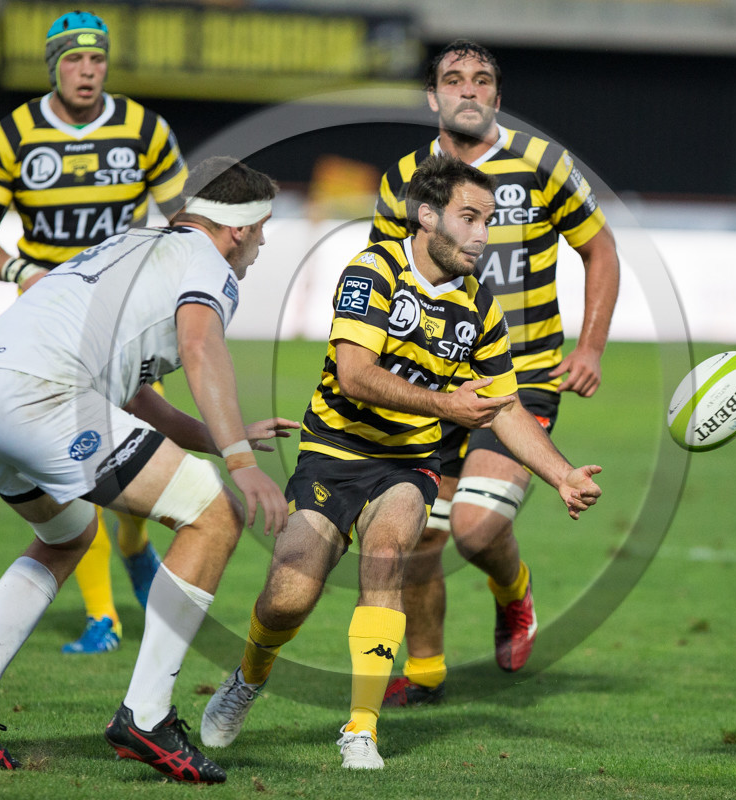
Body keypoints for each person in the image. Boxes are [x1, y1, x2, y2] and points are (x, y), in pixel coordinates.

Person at [198, 155, 604, 769]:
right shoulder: (374, 271)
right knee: (287, 598)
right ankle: (248, 678)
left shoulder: (480, 305)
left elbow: (505, 407)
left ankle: (361, 729)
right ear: (427, 215)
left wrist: (562, 474)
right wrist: (447, 402)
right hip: (335, 451)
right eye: (468, 218)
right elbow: (356, 376)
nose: (481, 235)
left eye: (488, 221)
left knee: (388, 556)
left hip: (410, 462)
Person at [0, 157, 296, 783]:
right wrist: (239, 462)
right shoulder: (206, 264)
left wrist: (215, 437)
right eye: (262, 229)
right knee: (214, 516)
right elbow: (200, 346)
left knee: (68, 535)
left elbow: (128, 391)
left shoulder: (131, 245)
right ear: (237, 227)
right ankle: (147, 718)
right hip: (43, 396)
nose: (262, 244)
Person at [368, 39, 621, 705]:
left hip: (523, 377)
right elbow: (384, 275)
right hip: (433, 383)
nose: (469, 91)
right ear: (434, 98)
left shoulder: (541, 162)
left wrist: (590, 346)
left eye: (482, 81)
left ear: (498, 98)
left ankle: (514, 591)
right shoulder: (403, 176)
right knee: (420, 530)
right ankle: (424, 676)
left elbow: (601, 249)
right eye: (454, 80)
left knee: (474, 529)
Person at [0, 10, 192, 654]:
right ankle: (102, 616)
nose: (87, 71)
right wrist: (19, 269)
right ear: (53, 65)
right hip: (50, 325)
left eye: (97, 60)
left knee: (124, 447)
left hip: (122, 316)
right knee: (79, 460)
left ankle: (136, 545)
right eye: (73, 60)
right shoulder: (15, 135)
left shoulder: (144, 129)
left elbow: (185, 219)